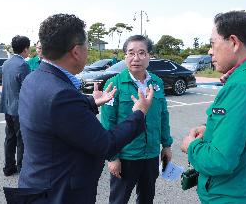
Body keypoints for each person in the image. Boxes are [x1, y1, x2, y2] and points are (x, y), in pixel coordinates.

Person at [17, 14, 154, 204]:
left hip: (36, 185)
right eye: (87, 47)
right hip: (59, 194)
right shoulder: (60, 94)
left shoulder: (35, 78)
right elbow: (105, 144)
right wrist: (139, 113)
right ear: (76, 51)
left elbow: (58, 117)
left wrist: (90, 102)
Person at [180, 11, 246, 204]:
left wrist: (191, 146)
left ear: (234, 42)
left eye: (213, 43)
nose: (210, 51)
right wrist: (211, 130)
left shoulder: (241, 86)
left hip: (231, 197)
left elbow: (219, 160)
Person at [101, 35, 173, 204]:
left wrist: (167, 145)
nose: (136, 58)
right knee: (119, 200)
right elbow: (107, 124)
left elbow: (163, 116)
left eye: (142, 53)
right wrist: (113, 157)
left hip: (151, 154)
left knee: (147, 199)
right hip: (126, 156)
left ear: (149, 56)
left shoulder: (157, 83)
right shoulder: (114, 84)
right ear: (125, 56)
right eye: (131, 53)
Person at [0, 35, 31, 176]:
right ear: (25, 49)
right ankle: (22, 168)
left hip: (7, 106)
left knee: (9, 137)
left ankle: (8, 167)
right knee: (21, 139)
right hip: (19, 109)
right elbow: (27, 87)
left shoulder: (6, 63)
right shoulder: (23, 64)